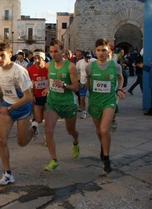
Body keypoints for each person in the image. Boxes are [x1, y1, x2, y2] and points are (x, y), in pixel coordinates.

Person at [0, 43, 36, 185]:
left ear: (10, 55)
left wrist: (10, 109)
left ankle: (34, 128)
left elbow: (28, 97)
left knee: (21, 142)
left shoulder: (19, 71)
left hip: (21, 108)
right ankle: (7, 174)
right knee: (1, 139)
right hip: (7, 106)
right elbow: (2, 84)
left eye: (2, 55)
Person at [86, 38, 124, 174]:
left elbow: (120, 78)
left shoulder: (116, 66)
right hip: (95, 102)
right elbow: (88, 83)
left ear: (109, 51)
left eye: (104, 50)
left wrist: (119, 89)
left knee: (104, 129)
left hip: (109, 101)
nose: (101, 53)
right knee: (98, 130)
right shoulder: (89, 67)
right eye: (98, 50)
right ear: (95, 51)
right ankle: (104, 146)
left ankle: (106, 159)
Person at [43, 40, 80, 171]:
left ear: (63, 51)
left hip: (68, 104)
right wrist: (47, 87)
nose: (53, 54)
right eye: (51, 52)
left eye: (56, 51)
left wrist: (64, 85)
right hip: (53, 102)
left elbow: (76, 87)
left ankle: (75, 142)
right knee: (48, 130)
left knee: (71, 131)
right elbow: (49, 79)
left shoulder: (70, 66)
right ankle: (54, 160)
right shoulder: (48, 65)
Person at [27, 50, 48, 146]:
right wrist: (31, 94)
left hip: (49, 96)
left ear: (43, 58)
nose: (37, 60)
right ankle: (36, 127)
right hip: (37, 96)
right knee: (39, 119)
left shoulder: (49, 68)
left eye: (39, 58)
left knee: (48, 119)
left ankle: (47, 137)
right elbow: (28, 83)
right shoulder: (30, 69)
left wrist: (48, 88)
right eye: (35, 58)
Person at [76, 51, 96, 119]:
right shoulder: (80, 62)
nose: (88, 60)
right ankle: (84, 112)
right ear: (83, 57)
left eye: (89, 58)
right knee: (82, 98)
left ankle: (94, 110)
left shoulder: (94, 61)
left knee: (93, 98)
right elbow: (75, 71)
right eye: (86, 58)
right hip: (83, 82)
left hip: (92, 82)